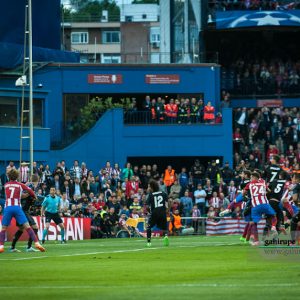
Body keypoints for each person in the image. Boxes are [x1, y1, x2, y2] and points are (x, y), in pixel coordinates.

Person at [0, 169, 45, 253]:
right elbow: (30, 191)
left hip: (8, 207)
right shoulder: (20, 185)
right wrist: (34, 196)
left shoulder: (5, 185)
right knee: (27, 227)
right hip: (17, 208)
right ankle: (37, 243)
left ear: (8, 176)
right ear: (17, 176)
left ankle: (1, 246)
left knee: (3, 229)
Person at [242, 172, 277, 246]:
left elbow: (243, 193)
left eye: (251, 177)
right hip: (265, 204)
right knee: (273, 216)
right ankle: (273, 227)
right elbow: (269, 191)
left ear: (254, 177)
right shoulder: (263, 183)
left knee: (254, 223)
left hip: (256, 205)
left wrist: (247, 196)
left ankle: (256, 241)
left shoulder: (249, 184)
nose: (250, 179)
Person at [10, 174, 41, 253]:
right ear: (37, 179)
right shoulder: (30, 186)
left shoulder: (28, 185)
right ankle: (29, 247)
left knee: (21, 228)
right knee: (35, 227)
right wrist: (31, 196)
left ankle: (12, 247)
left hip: (21, 209)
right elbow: (22, 196)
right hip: (23, 210)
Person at [146, 179, 169, 247]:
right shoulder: (164, 193)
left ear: (152, 187)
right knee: (164, 227)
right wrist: (166, 210)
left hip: (154, 213)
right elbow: (167, 204)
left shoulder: (151, 195)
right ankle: (166, 236)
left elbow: (147, 206)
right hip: (162, 212)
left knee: (149, 227)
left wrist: (150, 212)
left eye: (149, 186)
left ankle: (149, 242)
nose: (148, 188)